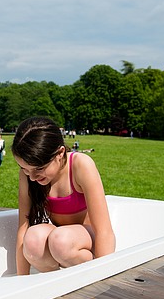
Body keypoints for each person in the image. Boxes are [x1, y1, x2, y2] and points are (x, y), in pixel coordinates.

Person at [11, 116, 116, 275]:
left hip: (87, 240)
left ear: (60, 153)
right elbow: (23, 229)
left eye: (39, 169)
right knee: (32, 240)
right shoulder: (28, 175)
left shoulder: (81, 165)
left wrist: (103, 277)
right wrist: (20, 280)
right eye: (24, 168)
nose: (31, 177)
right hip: (60, 239)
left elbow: (104, 231)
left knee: (61, 241)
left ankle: (88, 273)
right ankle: (56, 282)